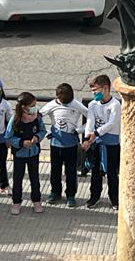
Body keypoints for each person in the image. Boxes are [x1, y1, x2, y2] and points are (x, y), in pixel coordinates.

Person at [40, 83, 88, 207]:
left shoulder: (77, 105)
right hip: (55, 145)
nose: (66, 102)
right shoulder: (51, 105)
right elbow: (38, 116)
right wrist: (47, 132)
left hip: (71, 145)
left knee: (71, 172)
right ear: (57, 97)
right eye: (63, 100)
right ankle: (55, 192)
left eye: (68, 99)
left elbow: (91, 118)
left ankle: (71, 195)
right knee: (55, 170)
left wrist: (79, 130)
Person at [83, 75, 122, 209]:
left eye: (96, 90)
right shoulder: (92, 104)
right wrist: (87, 138)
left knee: (112, 173)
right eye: (92, 91)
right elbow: (90, 122)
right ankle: (94, 197)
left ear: (105, 88)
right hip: (97, 142)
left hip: (111, 144)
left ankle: (115, 199)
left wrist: (96, 133)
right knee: (95, 172)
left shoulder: (115, 104)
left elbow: (112, 123)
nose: (94, 93)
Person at [6, 93, 46, 215]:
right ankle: (16, 202)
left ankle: (36, 200)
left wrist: (37, 138)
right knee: (17, 179)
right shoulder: (15, 120)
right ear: (23, 107)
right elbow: (8, 136)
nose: (34, 108)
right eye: (32, 106)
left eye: (35, 105)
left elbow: (43, 130)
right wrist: (21, 142)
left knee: (35, 178)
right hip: (19, 155)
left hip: (33, 153)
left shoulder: (37, 118)